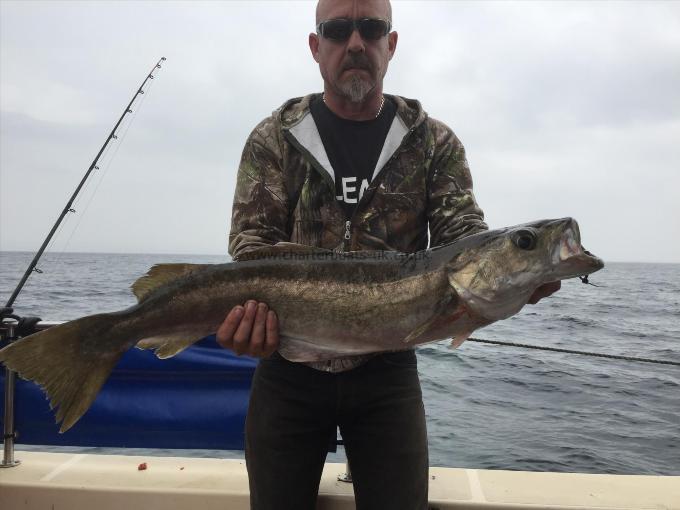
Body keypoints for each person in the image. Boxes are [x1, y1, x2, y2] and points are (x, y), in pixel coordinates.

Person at [216, 1, 560, 508]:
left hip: (388, 374)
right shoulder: (275, 139)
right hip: (287, 371)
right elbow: (252, 250)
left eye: (371, 28)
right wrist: (246, 323)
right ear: (316, 47)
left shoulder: (433, 143)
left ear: (390, 44)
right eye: (337, 30)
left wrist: (519, 275)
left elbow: (463, 237)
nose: (355, 43)